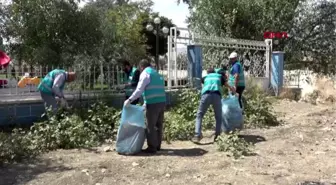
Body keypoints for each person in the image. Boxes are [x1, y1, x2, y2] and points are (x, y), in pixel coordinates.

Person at [123, 59, 166, 154]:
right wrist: (145, 102)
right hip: (162, 102)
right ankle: (157, 146)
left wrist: (130, 100)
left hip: (153, 103)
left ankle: (152, 147)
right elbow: (156, 89)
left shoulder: (145, 74)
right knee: (158, 125)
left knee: (150, 125)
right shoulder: (156, 73)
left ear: (141, 67)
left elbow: (139, 90)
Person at [192, 68, 234, 143]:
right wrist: (233, 90)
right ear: (215, 72)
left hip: (206, 95)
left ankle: (197, 135)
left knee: (199, 115)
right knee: (218, 117)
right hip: (216, 95)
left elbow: (203, 84)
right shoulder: (219, 76)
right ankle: (217, 136)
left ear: (208, 73)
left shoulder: (205, 77)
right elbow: (226, 84)